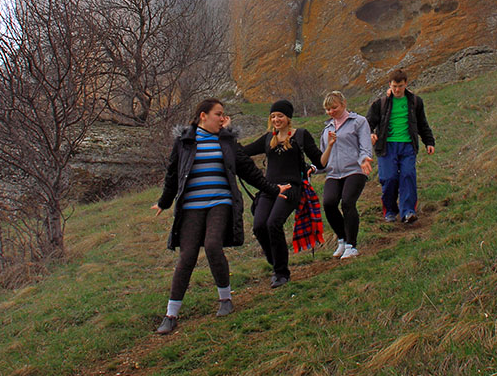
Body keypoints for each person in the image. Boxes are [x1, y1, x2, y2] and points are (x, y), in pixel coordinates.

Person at [151, 98, 289, 335]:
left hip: (220, 201)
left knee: (214, 245)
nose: (222, 119)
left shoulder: (226, 141)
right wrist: (164, 202)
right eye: (218, 114)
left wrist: (273, 189)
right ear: (203, 116)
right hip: (192, 206)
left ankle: (225, 300)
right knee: (187, 256)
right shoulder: (184, 141)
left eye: (224, 115)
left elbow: (248, 170)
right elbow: (173, 174)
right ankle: (171, 315)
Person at [241, 99, 324, 288]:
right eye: (273, 116)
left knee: (273, 224)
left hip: (291, 188)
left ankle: (281, 273)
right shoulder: (267, 139)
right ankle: (275, 260)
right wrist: (226, 138)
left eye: (280, 116)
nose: (276, 119)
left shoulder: (300, 136)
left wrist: (330, 149)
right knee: (259, 226)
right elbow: (243, 152)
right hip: (269, 189)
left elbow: (319, 161)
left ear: (288, 118)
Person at [366, 69, 436, 224]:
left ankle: (408, 211)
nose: (397, 89)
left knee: (408, 176)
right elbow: (368, 123)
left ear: (406, 84)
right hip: (386, 146)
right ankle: (390, 210)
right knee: (389, 178)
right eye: (394, 86)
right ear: (389, 85)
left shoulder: (415, 102)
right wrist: (370, 133)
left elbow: (422, 124)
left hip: (408, 145)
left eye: (400, 86)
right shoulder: (381, 103)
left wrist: (429, 142)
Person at [319, 91, 373, 259]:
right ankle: (342, 238)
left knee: (348, 202)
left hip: (355, 170)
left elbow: (365, 146)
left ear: (343, 104)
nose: (331, 112)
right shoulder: (327, 129)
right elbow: (322, 156)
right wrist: (314, 168)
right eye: (328, 109)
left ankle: (352, 245)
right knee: (329, 203)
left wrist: (364, 160)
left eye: (334, 107)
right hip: (334, 173)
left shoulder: (359, 122)